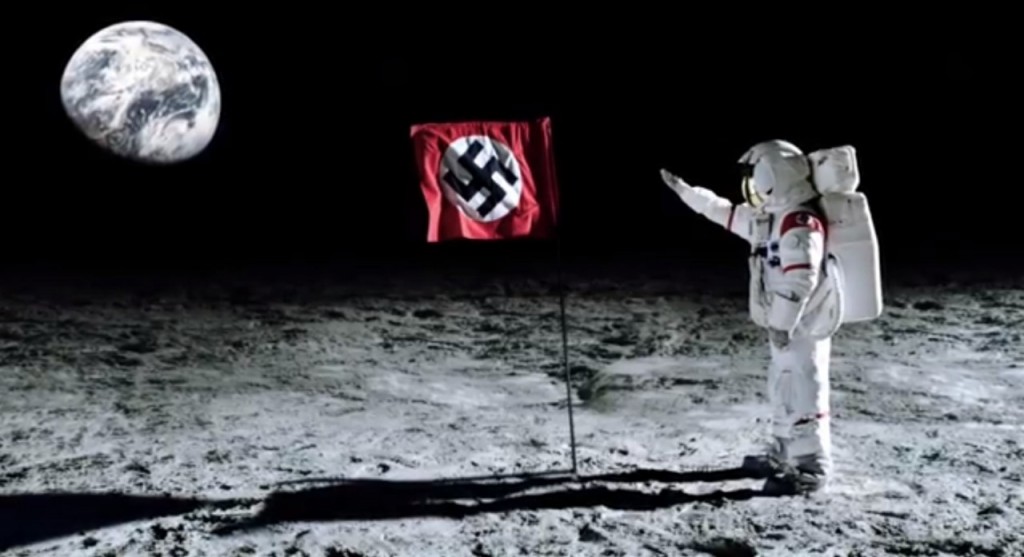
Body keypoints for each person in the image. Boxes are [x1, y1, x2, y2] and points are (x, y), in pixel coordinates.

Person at [660, 139, 844, 495]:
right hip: (785, 324)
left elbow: (801, 280)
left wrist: (782, 324)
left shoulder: (800, 221)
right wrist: (687, 192)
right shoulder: (772, 219)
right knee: (783, 384)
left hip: (803, 324)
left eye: (754, 176)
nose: (750, 185)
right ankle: (783, 452)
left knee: (805, 387)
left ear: (772, 175)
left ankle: (812, 465)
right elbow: (722, 211)